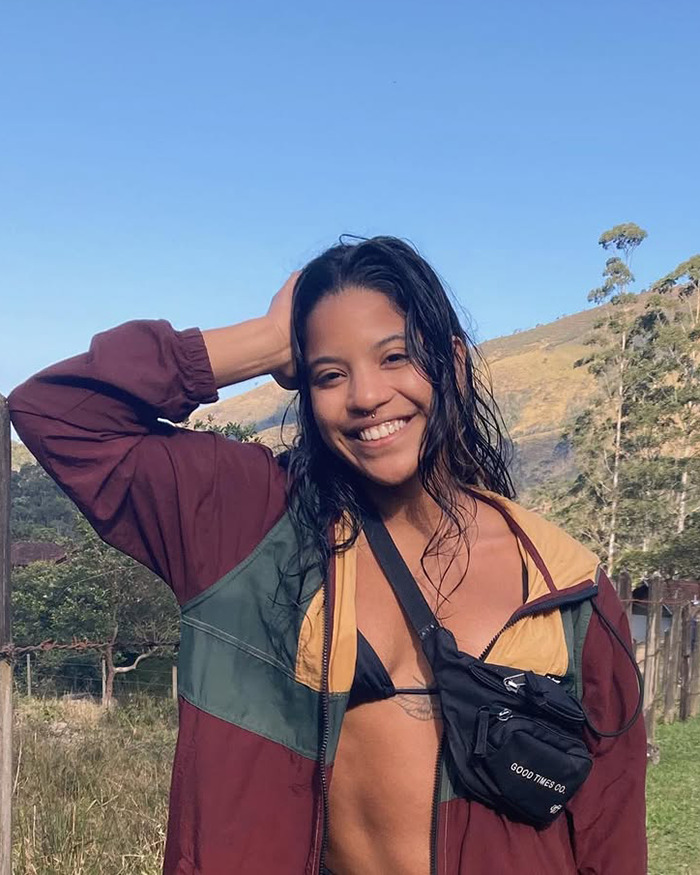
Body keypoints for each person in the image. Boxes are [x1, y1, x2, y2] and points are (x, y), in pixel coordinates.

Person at [9, 236, 646, 875]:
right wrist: (265, 340)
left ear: (452, 363)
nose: (366, 396)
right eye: (329, 374)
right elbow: (55, 412)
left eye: (395, 356)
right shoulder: (247, 526)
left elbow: (609, 830)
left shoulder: (565, 583)